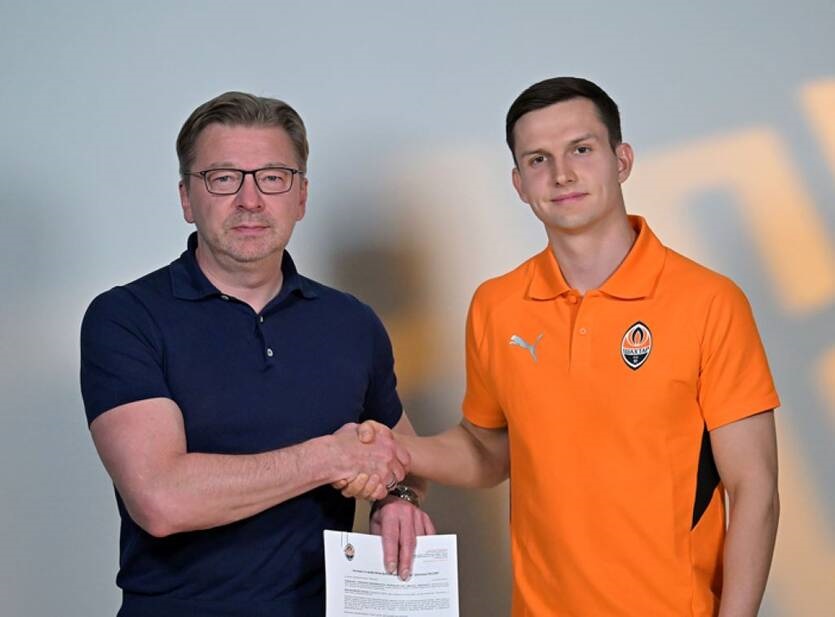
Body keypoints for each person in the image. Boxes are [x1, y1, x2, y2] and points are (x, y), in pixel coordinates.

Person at [346, 77, 780, 616]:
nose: (562, 174)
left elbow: (754, 487)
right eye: (538, 160)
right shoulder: (497, 305)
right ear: (519, 183)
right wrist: (392, 449)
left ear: (621, 160)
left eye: (581, 149)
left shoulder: (708, 301)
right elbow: (487, 451)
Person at [80, 91, 434, 617]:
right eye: (223, 178)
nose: (250, 200)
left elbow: (402, 452)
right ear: (186, 198)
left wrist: (397, 499)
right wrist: (328, 457)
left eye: (273, 177)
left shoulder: (351, 322)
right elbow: (160, 499)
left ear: (301, 197)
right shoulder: (126, 317)